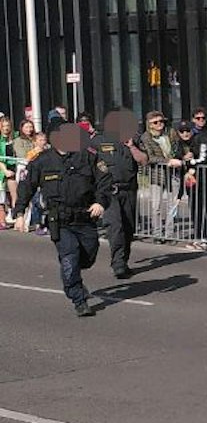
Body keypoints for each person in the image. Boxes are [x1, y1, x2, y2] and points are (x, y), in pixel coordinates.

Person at [14, 120, 115, 317]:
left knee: (87, 257)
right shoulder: (41, 161)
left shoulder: (86, 157)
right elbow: (26, 187)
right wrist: (19, 213)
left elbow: (104, 181)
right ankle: (79, 299)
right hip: (60, 220)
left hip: (85, 218)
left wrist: (101, 202)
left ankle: (75, 276)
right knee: (70, 257)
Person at [90, 109, 145, 278]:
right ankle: (118, 264)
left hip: (128, 190)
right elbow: (88, 164)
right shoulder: (98, 141)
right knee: (116, 227)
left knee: (128, 228)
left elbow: (144, 160)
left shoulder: (133, 139)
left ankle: (124, 260)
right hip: (108, 191)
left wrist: (132, 146)